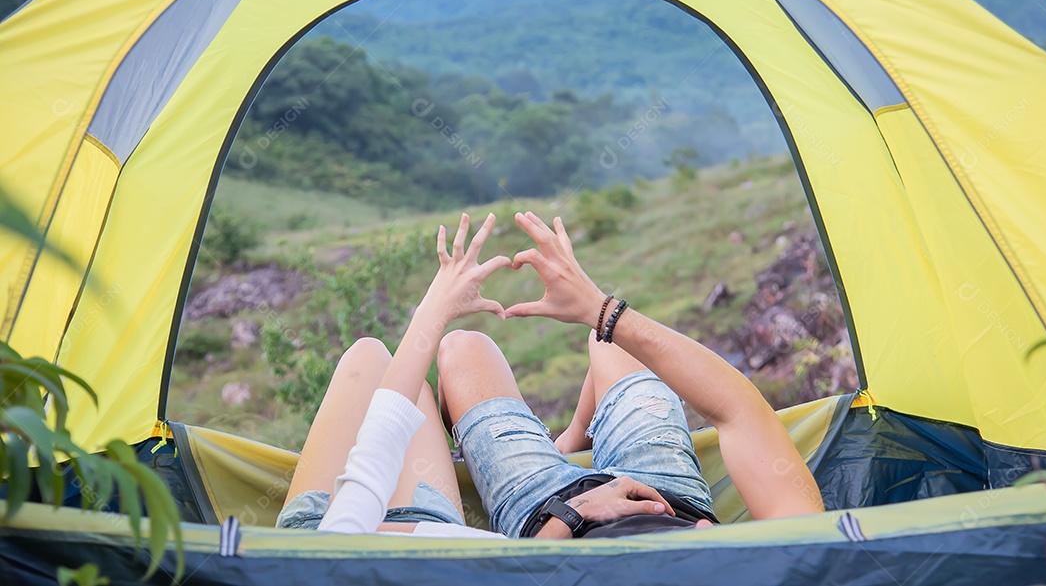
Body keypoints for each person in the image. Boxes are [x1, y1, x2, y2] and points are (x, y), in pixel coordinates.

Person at [437, 211, 824, 539]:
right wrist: (600, 310)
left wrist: (576, 513)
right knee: (610, 341)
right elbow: (739, 410)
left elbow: (519, 572)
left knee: (462, 348)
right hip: (666, 496)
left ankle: (556, 452)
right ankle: (573, 438)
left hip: (548, 509)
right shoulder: (791, 561)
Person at [276, 213, 512, 537]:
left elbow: (352, 516)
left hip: (331, 533)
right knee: (392, 371)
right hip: (411, 530)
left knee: (369, 355)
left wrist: (436, 309)